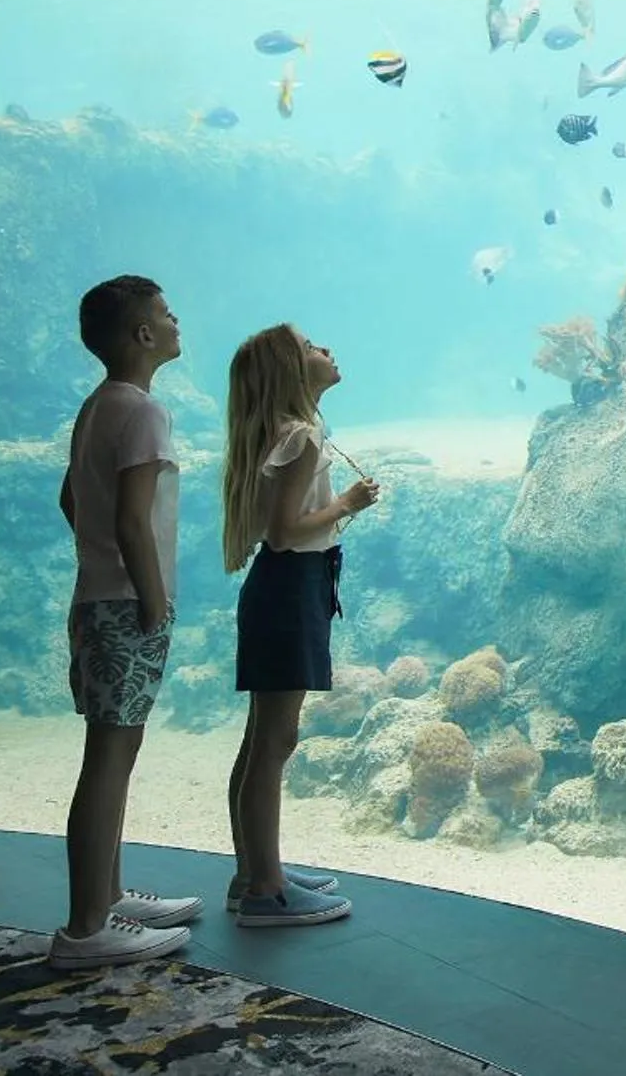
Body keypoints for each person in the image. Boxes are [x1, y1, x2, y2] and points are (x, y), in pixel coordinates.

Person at [50, 276, 202, 969]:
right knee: (108, 761)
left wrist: (101, 563)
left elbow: (71, 498)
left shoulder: (97, 405)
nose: (176, 323)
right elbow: (133, 519)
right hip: (126, 605)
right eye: (167, 314)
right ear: (143, 334)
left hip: (95, 598)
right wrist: (150, 596)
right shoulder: (144, 411)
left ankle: (107, 895)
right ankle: (86, 929)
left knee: (115, 752)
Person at [222, 325, 378, 927]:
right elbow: (286, 533)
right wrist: (348, 505)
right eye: (314, 347)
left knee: (260, 741)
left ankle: (255, 872)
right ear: (292, 369)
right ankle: (267, 890)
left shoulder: (286, 433)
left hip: (285, 591)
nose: (328, 349)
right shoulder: (303, 437)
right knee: (275, 743)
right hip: (290, 592)